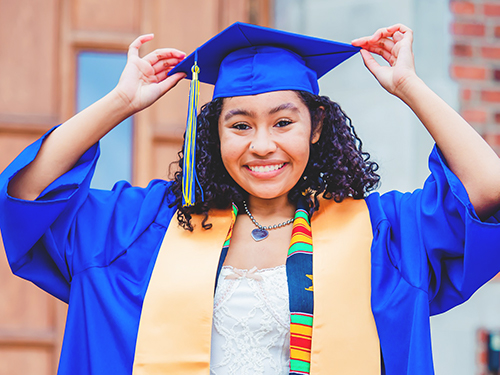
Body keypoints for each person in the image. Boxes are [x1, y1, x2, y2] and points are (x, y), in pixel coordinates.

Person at [1, 21, 500, 375]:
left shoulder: (382, 234)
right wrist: (122, 101)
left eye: (284, 122)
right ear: (214, 133)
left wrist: (411, 86)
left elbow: (487, 189)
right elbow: (29, 195)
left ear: (317, 126)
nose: (262, 145)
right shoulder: (144, 229)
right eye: (239, 125)